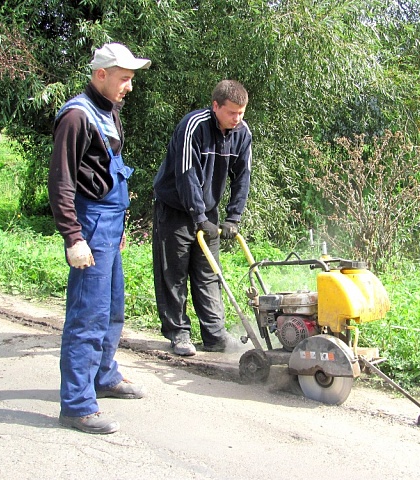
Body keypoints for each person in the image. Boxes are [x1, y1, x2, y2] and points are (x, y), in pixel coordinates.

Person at [48, 43, 151, 434]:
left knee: (112, 310)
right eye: (124, 79)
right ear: (101, 75)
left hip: (110, 225)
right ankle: (76, 405)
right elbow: (61, 182)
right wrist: (73, 237)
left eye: (131, 79)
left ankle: (104, 377)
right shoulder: (77, 116)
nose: (129, 87)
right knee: (87, 317)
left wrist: (120, 226)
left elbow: (108, 172)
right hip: (89, 226)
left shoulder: (109, 110)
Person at [152, 80, 252, 357]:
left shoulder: (242, 133)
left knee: (209, 274)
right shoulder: (193, 126)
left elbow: (243, 177)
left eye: (241, 112)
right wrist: (198, 216)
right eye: (232, 112)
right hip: (175, 209)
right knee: (174, 273)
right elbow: (187, 174)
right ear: (215, 106)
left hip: (208, 212)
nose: (237, 118)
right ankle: (178, 333)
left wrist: (234, 217)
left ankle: (215, 335)